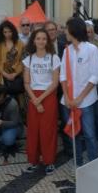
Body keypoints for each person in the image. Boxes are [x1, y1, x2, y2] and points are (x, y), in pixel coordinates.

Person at [60, 17, 98, 166]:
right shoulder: (67, 51)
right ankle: (78, 163)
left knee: (90, 134)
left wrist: (80, 98)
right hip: (69, 100)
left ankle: (93, 164)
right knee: (74, 133)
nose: (64, 31)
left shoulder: (91, 49)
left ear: (73, 30)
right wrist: (67, 97)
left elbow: (95, 76)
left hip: (86, 101)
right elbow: (63, 75)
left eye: (66, 28)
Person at [22, 27, 60, 173]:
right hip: (33, 96)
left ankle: (49, 161)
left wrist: (40, 99)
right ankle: (33, 160)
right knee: (33, 130)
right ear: (33, 40)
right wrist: (34, 99)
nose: (41, 41)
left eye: (44, 38)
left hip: (48, 96)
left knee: (48, 130)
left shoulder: (54, 58)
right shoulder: (28, 59)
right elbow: (26, 83)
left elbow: (55, 83)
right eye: (38, 38)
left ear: (47, 41)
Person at [0, 20, 25, 95]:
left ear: (13, 31)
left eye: (10, 31)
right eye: (5, 32)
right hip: (2, 77)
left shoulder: (20, 44)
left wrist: (15, 74)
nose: (8, 34)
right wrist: (5, 74)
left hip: (17, 77)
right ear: (2, 33)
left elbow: (23, 61)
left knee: (17, 99)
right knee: (3, 98)